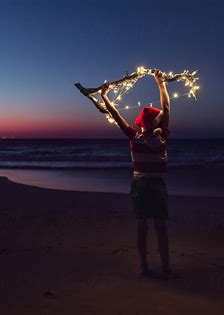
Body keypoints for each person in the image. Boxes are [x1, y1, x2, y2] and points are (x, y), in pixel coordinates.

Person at [82, 70, 172, 278]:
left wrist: (104, 96)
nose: (162, 116)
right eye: (160, 117)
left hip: (141, 185)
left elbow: (115, 115)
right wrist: (161, 83)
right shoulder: (162, 136)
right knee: (159, 227)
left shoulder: (135, 136)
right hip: (155, 185)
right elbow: (167, 107)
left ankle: (145, 268)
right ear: (157, 122)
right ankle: (164, 268)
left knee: (143, 227)